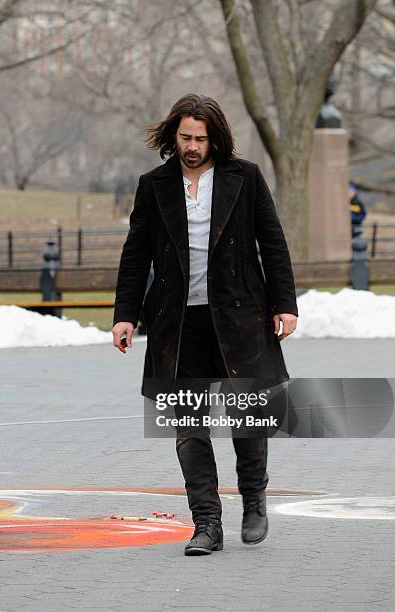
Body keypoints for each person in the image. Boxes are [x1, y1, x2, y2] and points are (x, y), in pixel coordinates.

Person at [112, 93, 298, 556]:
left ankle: (254, 497)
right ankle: (207, 523)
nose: (192, 146)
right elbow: (136, 255)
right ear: (173, 136)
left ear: (215, 137)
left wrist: (285, 304)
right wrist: (125, 315)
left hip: (239, 317)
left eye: (200, 138)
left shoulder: (244, 177)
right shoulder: (154, 185)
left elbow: (271, 241)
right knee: (188, 424)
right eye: (185, 137)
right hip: (178, 323)